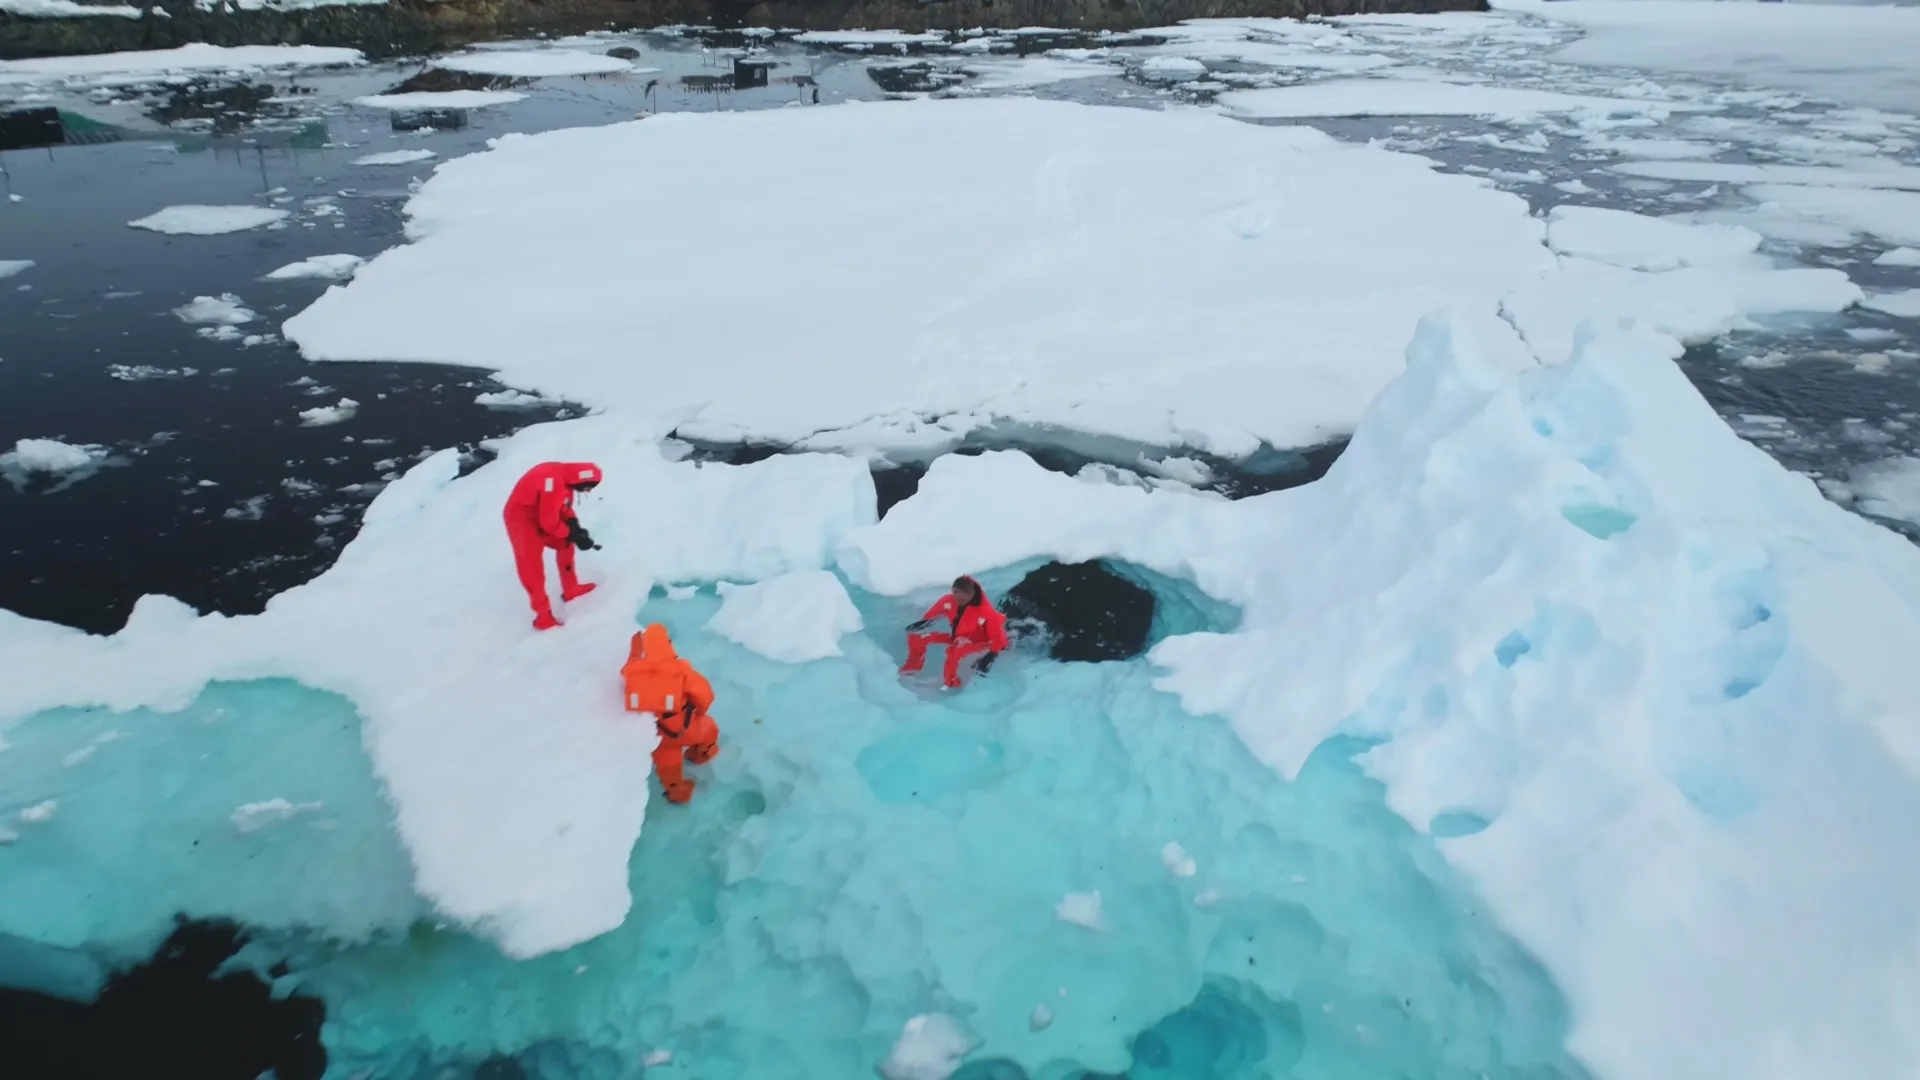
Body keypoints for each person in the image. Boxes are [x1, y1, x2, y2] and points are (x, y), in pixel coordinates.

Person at [621, 623, 721, 805]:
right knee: (709, 728)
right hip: (684, 727)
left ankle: (678, 792)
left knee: (668, 766)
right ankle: (702, 754)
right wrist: (699, 712)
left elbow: (630, 670)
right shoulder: (680, 671)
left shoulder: (632, 671)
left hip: (657, 736)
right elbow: (705, 696)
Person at [502, 461, 602, 630]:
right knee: (531, 566)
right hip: (522, 521)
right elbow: (549, 523)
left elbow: (563, 506)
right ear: (581, 481)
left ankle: (571, 588)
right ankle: (543, 616)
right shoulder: (553, 484)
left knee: (566, 544)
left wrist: (574, 526)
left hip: (542, 513)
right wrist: (572, 534)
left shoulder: (566, 477)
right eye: (588, 488)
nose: (588, 491)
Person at [900, 575, 1009, 689]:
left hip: (980, 642)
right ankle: (912, 669)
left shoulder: (987, 613)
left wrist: (990, 657)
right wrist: (923, 624)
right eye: (955, 596)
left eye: (961, 599)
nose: (957, 602)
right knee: (917, 637)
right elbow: (933, 616)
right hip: (957, 637)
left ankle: (951, 683)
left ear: (970, 594)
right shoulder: (948, 601)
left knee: (953, 652)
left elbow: (999, 641)